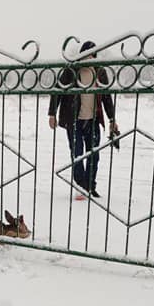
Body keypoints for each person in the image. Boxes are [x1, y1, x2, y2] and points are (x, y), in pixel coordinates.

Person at [48, 40, 120, 198]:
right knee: (77, 154)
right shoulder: (71, 70)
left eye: (92, 55)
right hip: (74, 122)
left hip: (93, 121)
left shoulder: (100, 72)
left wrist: (112, 119)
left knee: (94, 155)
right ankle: (82, 185)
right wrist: (52, 113)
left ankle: (90, 186)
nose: (89, 58)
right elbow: (57, 91)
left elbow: (106, 97)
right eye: (86, 55)